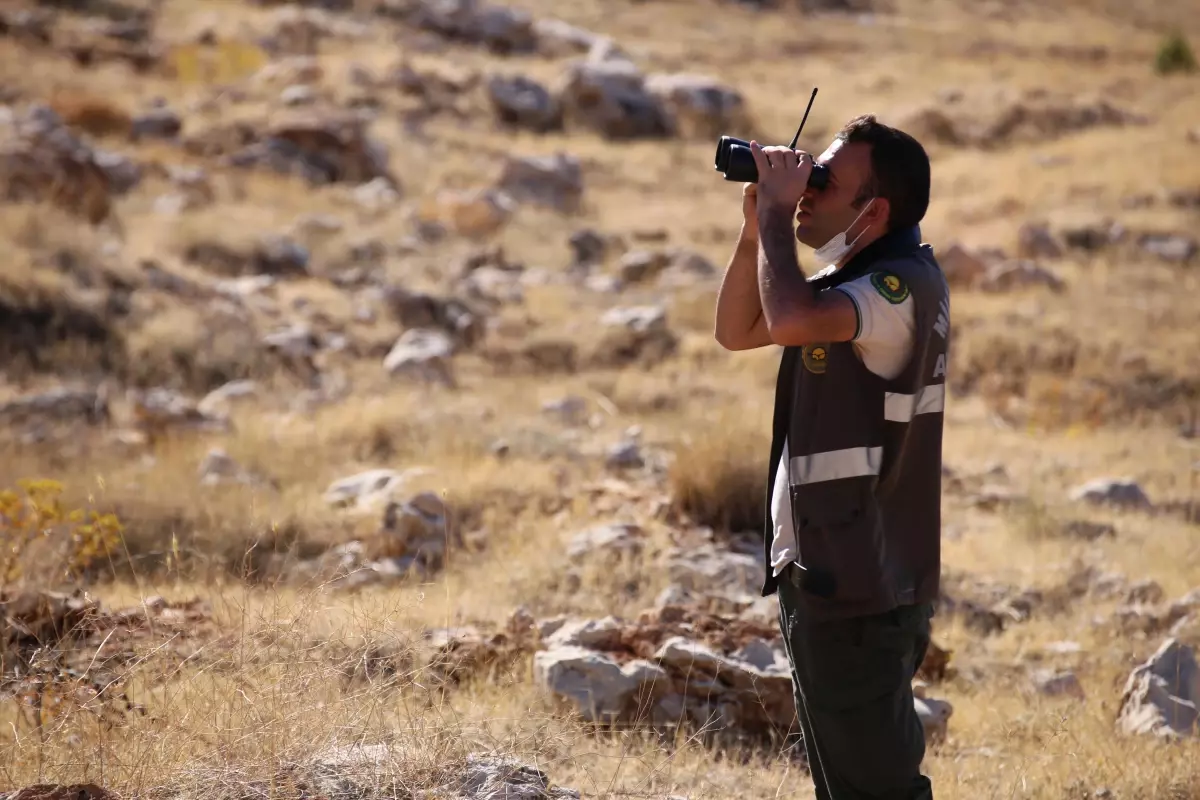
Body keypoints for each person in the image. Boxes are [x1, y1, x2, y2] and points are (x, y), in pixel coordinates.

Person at [713, 114, 950, 799]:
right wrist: (760, 227)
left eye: (824, 183)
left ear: (873, 211)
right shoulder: (858, 280)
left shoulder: (891, 293)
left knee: (879, 791)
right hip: (831, 577)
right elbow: (739, 329)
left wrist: (785, 216)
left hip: (859, 589)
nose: (808, 191)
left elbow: (783, 320)